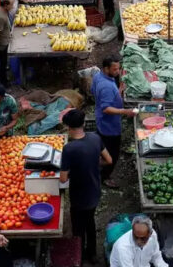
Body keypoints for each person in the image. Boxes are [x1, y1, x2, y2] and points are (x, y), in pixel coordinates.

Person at [60, 109, 112, 263]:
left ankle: (79, 256)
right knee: (90, 221)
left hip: (78, 195)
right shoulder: (95, 138)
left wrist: (71, 170)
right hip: (94, 191)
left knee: (78, 227)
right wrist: (93, 164)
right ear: (83, 124)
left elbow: (63, 179)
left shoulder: (69, 149)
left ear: (68, 127)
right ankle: (93, 254)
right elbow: (108, 160)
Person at [93, 56, 135, 188]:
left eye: (119, 68)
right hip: (109, 126)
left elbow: (96, 95)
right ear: (106, 69)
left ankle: (96, 165)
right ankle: (104, 177)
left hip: (100, 121)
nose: (118, 71)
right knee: (112, 154)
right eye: (115, 69)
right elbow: (106, 108)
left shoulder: (98, 77)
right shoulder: (106, 86)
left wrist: (118, 91)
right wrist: (125, 111)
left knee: (102, 147)